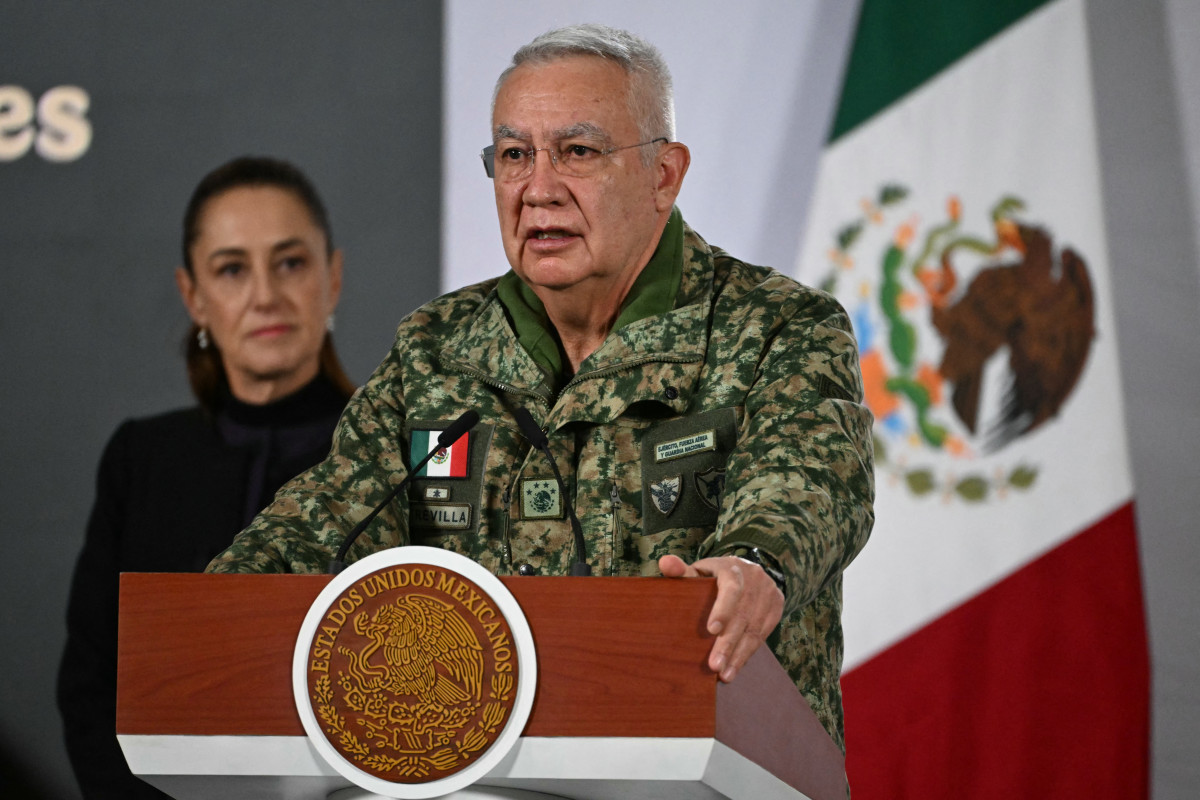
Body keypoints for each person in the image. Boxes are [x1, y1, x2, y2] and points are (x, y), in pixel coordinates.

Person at [207, 25, 874, 752]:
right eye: (515, 155)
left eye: (578, 152)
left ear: (665, 175)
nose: (537, 189)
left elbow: (808, 489)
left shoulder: (781, 326)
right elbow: (322, 520)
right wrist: (209, 614)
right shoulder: (436, 348)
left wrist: (755, 564)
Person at [58, 156, 355, 799]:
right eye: (231, 269)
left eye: (291, 262)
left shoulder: (397, 458)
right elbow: (92, 691)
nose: (265, 295)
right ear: (193, 296)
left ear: (332, 277)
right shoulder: (142, 460)